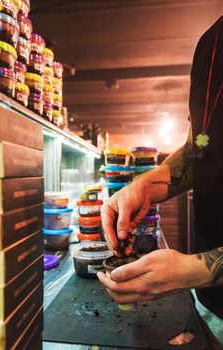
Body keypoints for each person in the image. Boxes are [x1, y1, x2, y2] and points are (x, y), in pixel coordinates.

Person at [97, 15, 223, 349]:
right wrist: (144, 186)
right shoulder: (210, 42)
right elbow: (202, 146)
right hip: (210, 307)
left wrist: (195, 269)